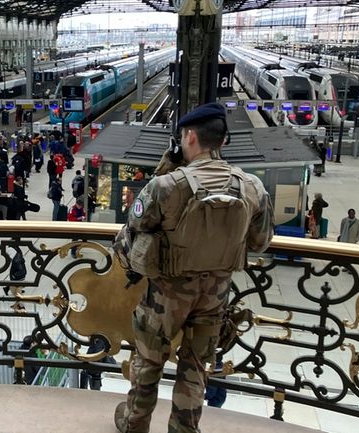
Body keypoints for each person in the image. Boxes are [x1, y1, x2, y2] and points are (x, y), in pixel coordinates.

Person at [114, 103, 274, 433]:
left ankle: (134, 423)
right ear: (223, 142)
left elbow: (135, 224)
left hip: (167, 294)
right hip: (216, 294)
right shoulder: (252, 186)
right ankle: (184, 429)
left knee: (149, 360)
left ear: (188, 136)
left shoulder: (167, 186)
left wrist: (166, 166)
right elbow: (260, 242)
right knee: (196, 365)